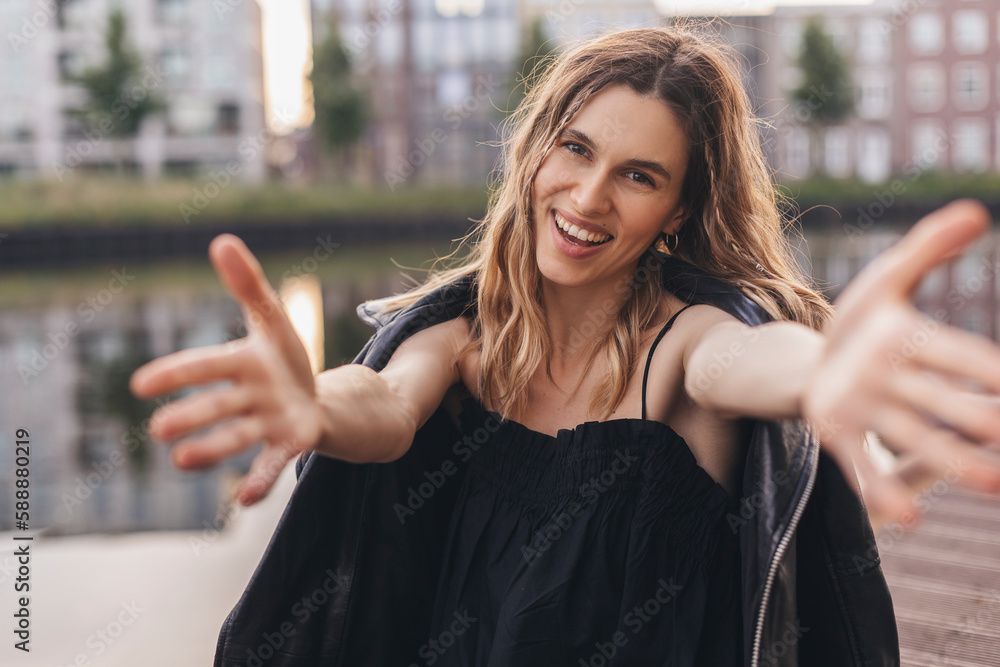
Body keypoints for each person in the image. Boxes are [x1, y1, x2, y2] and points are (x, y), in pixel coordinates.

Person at [131, 27, 1000, 667]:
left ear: (679, 209)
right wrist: (316, 405)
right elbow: (388, 406)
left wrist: (824, 369)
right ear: (533, 153)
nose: (587, 197)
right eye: (576, 150)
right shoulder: (463, 339)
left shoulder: (684, 347)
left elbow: (749, 359)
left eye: (638, 175)